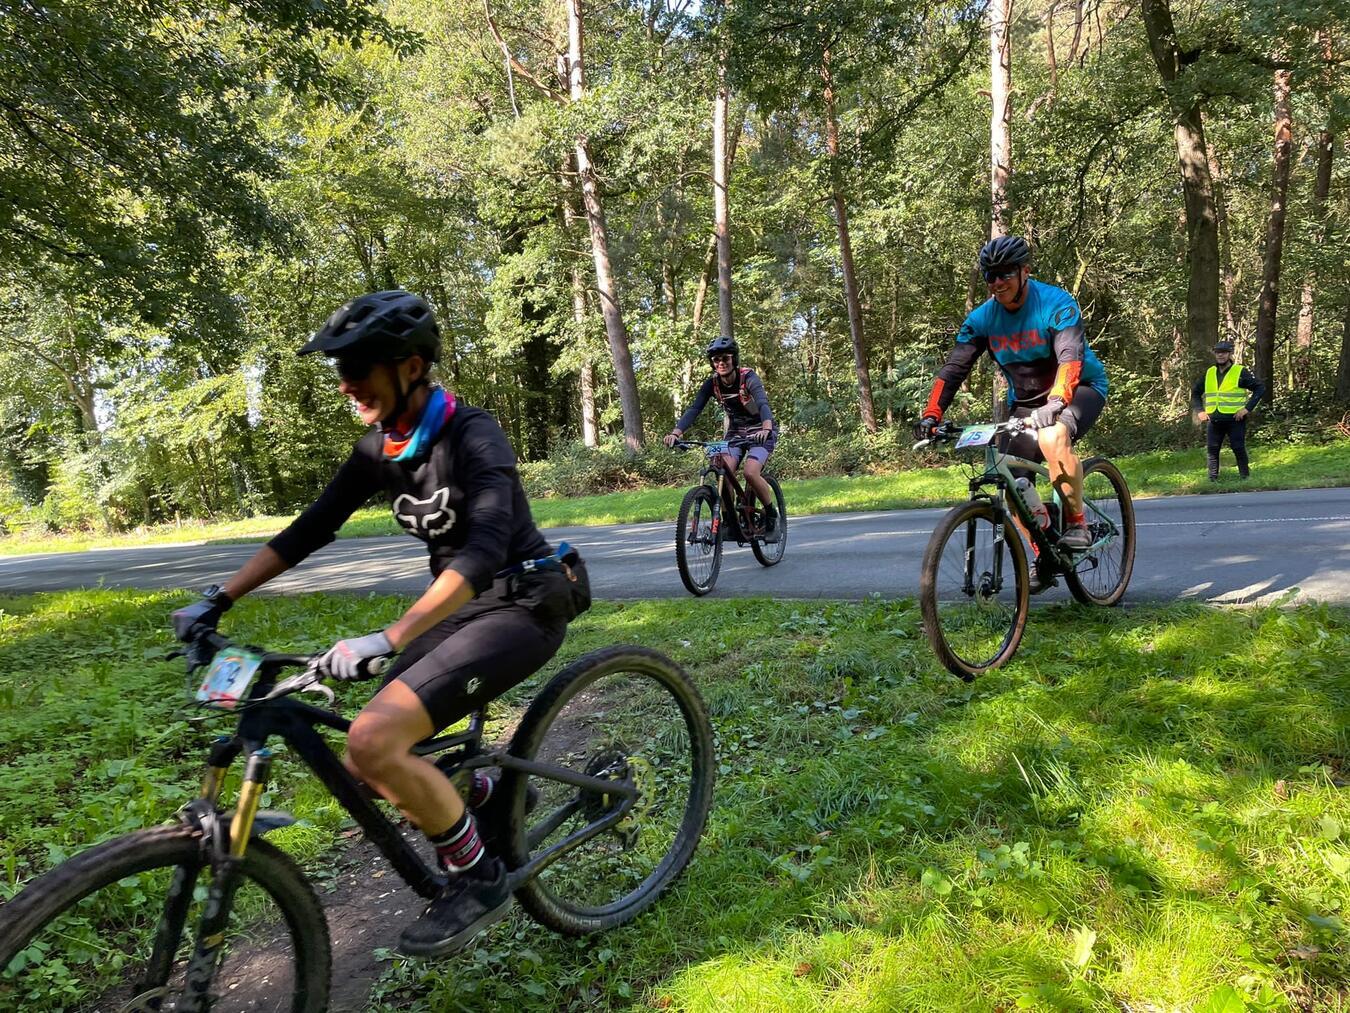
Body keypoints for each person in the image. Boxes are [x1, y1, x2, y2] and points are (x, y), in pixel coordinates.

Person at [170, 290, 589, 958]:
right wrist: (219, 597)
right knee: (370, 759)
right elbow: (311, 527)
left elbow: (482, 553)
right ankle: (488, 790)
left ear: (412, 365)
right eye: (340, 367)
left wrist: (389, 636)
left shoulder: (473, 433)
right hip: (462, 606)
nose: (346, 382)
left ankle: (478, 878)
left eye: (360, 365)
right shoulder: (380, 446)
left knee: (372, 738)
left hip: (523, 600)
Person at [915, 236, 1109, 592]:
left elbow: (1070, 358)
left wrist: (1055, 404)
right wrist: (932, 414)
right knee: (1010, 479)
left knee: (1053, 437)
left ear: (1024, 272)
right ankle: (1045, 553)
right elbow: (954, 370)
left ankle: (1077, 522)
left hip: (1079, 387)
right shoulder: (983, 319)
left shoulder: (1055, 303)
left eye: (1005, 273)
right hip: (1025, 400)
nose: (997, 282)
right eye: (990, 275)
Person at [663, 335, 780, 541]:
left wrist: (767, 428)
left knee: (751, 473)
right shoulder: (713, 384)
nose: (721, 363)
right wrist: (676, 433)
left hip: (760, 430)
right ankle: (728, 522)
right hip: (735, 434)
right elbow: (695, 408)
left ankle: (771, 516)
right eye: (716, 360)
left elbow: (762, 404)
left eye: (725, 358)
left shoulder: (748, 377)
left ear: (734, 359)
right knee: (721, 472)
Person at [1190, 340, 1264, 481]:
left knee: (1238, 447)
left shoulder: (1239, 371)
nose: (1220, 355)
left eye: (1223, 352)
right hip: (1214, 419)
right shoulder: (1210, 372)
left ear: (1230, 354)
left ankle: (1245, 478)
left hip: (1234, 418)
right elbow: (1195, 392)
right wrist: (1200, 410)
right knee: (1212, 450)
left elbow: (1259, 388)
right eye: (1218, 352)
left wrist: (1247, 409)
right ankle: (1212, 480)